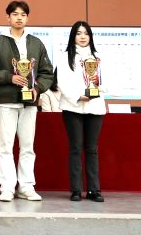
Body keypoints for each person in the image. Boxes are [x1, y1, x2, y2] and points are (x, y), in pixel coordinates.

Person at [0, 0, 53, 202]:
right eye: (15, 14)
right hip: (6, 101)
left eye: (23, 14)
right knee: (5, 146)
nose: (19, 18)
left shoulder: (36, 43)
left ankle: (26, 186)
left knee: (27, 146)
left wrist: (37, 89)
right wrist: (9, 77)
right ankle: (7, 187)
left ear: (27, 18)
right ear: (8, 17)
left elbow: (47, 73)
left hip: (30, 102)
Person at [57, 21, 106, 202]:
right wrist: (78, 96)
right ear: (73, 36)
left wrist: (96, 91)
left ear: (90, 36)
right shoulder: (65, 57)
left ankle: (94, 189)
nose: (83, 37)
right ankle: (76, 189)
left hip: (95, 106)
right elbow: (61, 82)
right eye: (78, 33)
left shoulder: (99, 56)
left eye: (86, 33)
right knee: (76, 147)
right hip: (73, 106)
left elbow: (107, 81)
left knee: (92, 148)